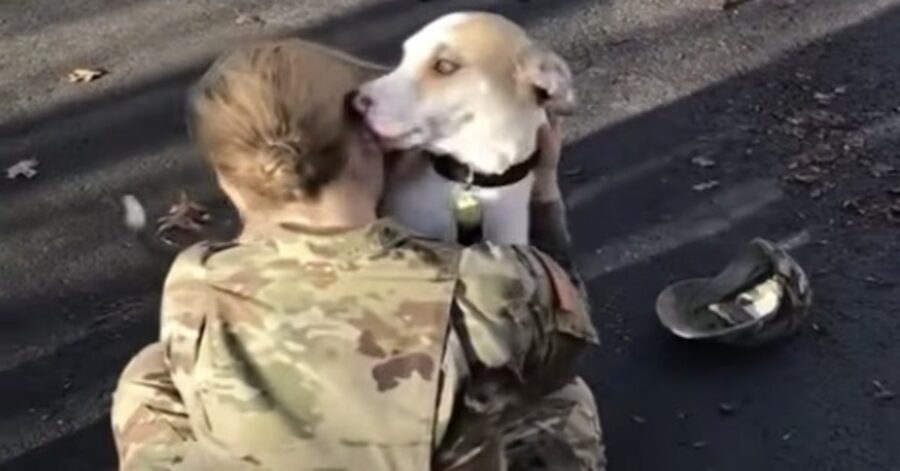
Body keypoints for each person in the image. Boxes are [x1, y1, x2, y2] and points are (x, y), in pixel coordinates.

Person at [111, 38, 605, 470]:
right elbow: (567, 343)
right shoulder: (482, 286)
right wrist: (539, 190)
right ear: (376, 142)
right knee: (563, 398)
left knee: (150, 376)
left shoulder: (196, 282)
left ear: (226, 179)